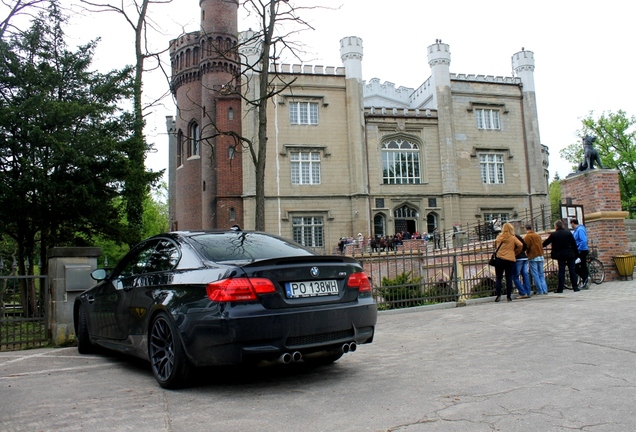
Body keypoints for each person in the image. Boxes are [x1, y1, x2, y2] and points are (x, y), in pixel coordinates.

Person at [543, 220, 579, 293]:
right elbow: (574, 244)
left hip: (560, 255)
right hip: (570, 254)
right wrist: (576, 254)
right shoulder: (568, 233)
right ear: (562, 226)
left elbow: (546, 242)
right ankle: (575, 287)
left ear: (556, 226)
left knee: (561, 271)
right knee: (572, 270)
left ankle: (560, 288)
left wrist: (539, 246)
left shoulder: (554, 234)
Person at [493, 222, 523, 302]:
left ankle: (498, 295)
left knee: (498, 277)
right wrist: (515, 252)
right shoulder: (512, 237)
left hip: (499, 258)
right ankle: (508, 296)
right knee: (509, 278)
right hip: (510, 259)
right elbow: (520, 245)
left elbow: (495, 245)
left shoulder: (499, 237)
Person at [523, 223, 549, 295]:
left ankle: (540, 290)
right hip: (540, 255)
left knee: (535, 274)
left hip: (533, 256)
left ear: (526, 229)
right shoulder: (537, 236)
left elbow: (526, 246)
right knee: (541, 274)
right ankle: (545, 289)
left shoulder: (527, 237)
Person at [570, 218, 589, 289]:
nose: (570, 225)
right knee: (579, 265)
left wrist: (579, 249)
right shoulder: (576, 230)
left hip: (581, 250)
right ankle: (585, 279)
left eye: (570, 223)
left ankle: (586, 279)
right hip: (579, 250)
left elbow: (583, 240)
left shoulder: (580, 230)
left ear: (572, 223)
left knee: (579, 265)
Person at [512, 232, 532, 298]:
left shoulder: (512, 237)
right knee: (525, 275)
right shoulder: (518, 235)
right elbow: (525, 246)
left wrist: (516, 252)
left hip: (518, 258)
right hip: (524, 257)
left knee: (515, 276)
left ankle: (523, 292)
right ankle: (527, 292)